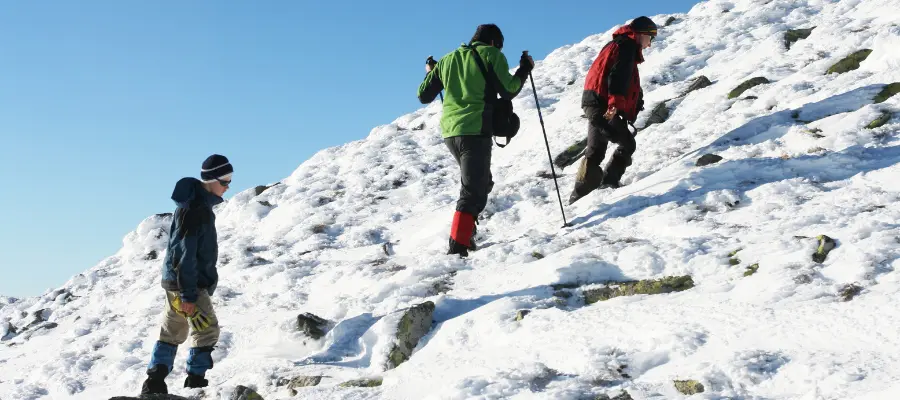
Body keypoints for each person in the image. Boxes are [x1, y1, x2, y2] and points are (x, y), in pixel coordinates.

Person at [418, 24, 534, 257]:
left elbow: (424, 95)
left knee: (482, 182)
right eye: (500, 46)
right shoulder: (491, 54)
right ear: (493, 42)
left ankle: (465, 233)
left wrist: (432, 72)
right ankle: (457, 248)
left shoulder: (448, 59)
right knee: (473, 191)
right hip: (475, 131)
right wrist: (524, 69)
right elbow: (509, 89)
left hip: (451, 133)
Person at [141, 154, 232, 394]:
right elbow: (185, 255)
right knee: (207, 330)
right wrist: (189, 295)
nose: (227, 187)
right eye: (225, 182)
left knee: (173, 331)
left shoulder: (194, 206)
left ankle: (154, 383)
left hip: (176, 283)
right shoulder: (194, 210)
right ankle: (195, 383)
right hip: (188, 284)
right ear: (212, 180)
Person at [569, 16, 657, 205]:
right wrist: (614, 106)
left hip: (592, 102)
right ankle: (608, 183)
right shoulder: (626, 47)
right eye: (651, 37)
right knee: (627, 144)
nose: (650, 44)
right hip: (605, 105)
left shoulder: (615, 45)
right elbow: (617, 79)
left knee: (594, 152)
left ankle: (577, 199)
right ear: (641, 34)